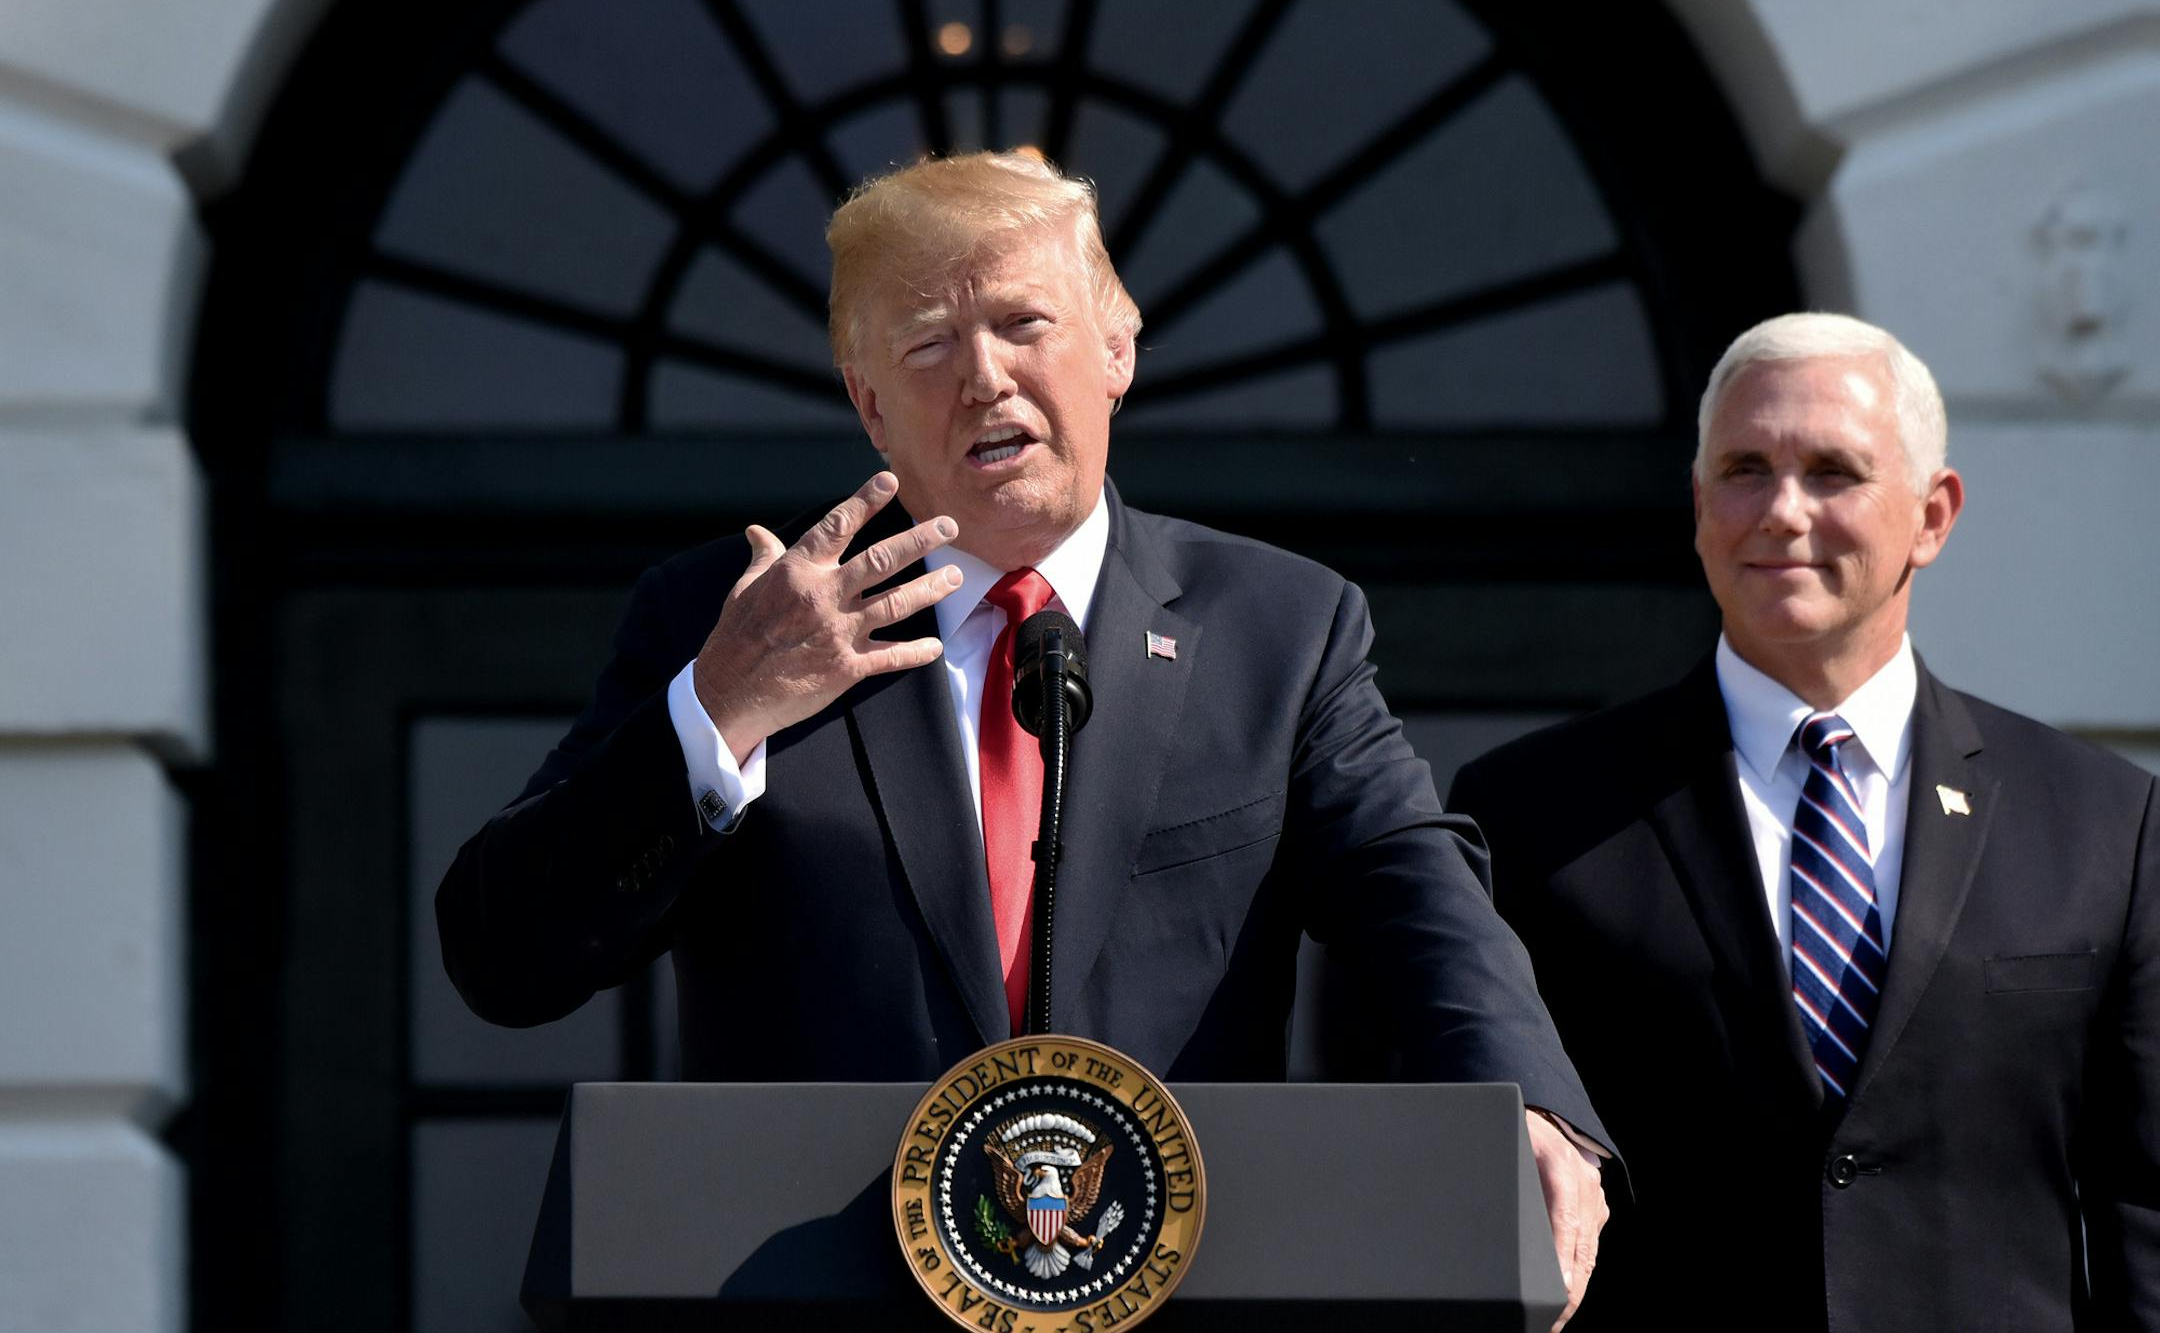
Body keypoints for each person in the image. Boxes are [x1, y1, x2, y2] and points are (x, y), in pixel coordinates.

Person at [436, 151, 1613, 1323]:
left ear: (1118, 348)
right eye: (930, 345)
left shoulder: (1279, 628)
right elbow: (505, 957)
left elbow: (1414, 888)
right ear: (870, 403)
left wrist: (1529, 1105)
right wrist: (721, 708)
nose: (986, 378)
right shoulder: (732, 622)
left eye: (1022, 324)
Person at [1448, 312, 2160, 1331]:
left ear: (1932, 513)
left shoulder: (2102, 825)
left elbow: (2144, 1208)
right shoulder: (1530, 814)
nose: (1782, 510)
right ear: (1699, 507)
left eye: (1833, 471)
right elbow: (1450, 1169)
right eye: (1745, 469)